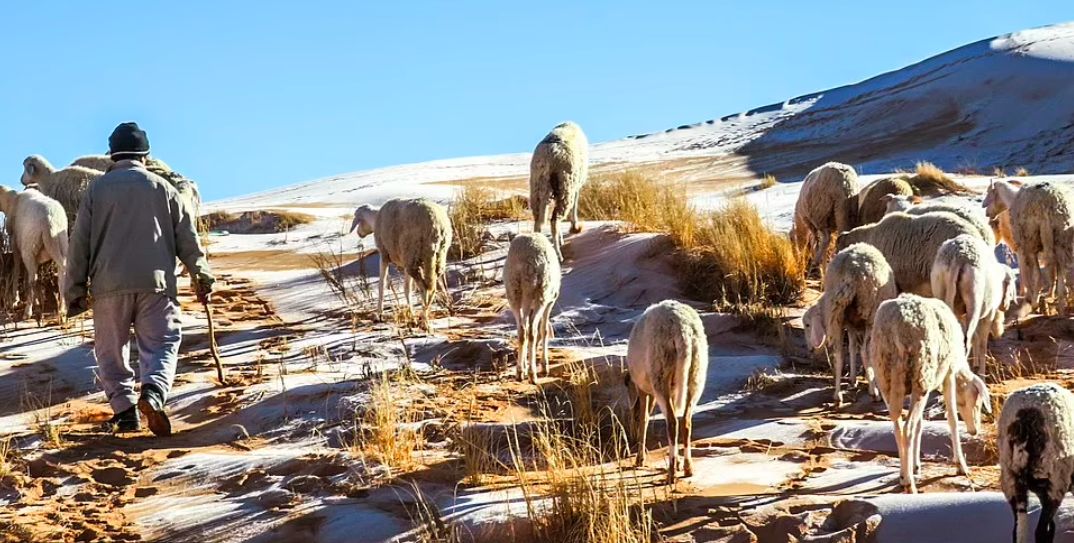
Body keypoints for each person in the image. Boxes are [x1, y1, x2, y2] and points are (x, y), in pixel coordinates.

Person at [64, 122, 213, 436]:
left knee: (110, 351)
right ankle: (154, 393)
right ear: (145, 155)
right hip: (157, 284)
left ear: (112, 155)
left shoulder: (97, 190)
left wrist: (74, 290)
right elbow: (188, 238)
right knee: (162, 343)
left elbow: (79, 243)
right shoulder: (165, 189)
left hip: (108, 286)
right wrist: (201, 274)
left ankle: (125, 411)